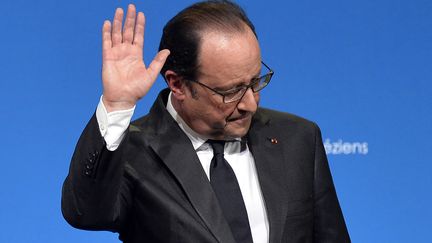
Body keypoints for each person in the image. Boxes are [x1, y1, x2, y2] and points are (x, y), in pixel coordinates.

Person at [61, 1, 350, 242]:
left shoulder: (299, 138)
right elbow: (85, 213)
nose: (249, 103)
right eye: (231, 91)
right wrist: (118, 104)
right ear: (178, 84)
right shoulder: (133, 153)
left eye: (255, 82)